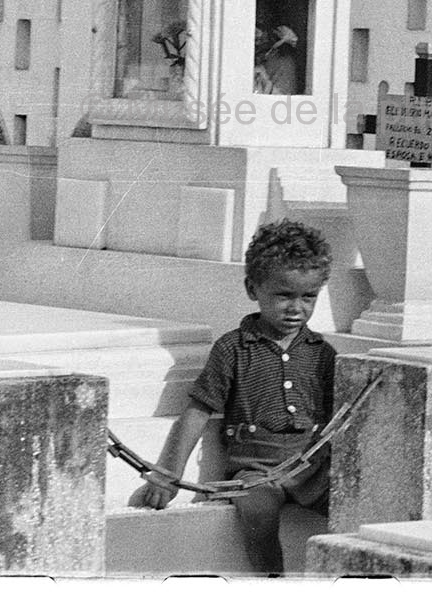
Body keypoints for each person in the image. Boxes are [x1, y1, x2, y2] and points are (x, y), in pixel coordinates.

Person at [130, 219, 336, 575]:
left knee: (358, 503)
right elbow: (197, 411)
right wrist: (168, 474)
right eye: (284, 295)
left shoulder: (322, 353)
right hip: (256, 471)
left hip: (311, 470)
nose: (296, 308)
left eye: (308, 297)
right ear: (252, 288)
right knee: (258, 513)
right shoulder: (233, 349)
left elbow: (339, 418)